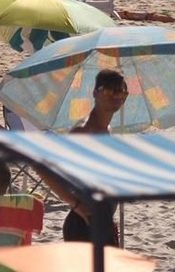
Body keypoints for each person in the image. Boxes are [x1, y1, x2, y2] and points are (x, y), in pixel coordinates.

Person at [50, 68, 126, 243]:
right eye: (108, 90)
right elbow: (47, 168)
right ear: (95, 93)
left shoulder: (108, 130)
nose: (115, 95)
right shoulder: (83, 132)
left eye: (120, 91)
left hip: (104, 221)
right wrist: (76, 205)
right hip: (83, 224)